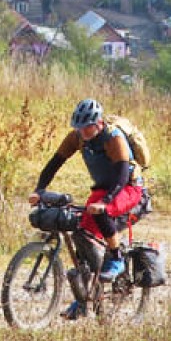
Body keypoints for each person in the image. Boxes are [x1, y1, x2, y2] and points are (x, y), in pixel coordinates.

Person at [28, 98, 144, 293]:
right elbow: (54, 163)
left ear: (98, 123)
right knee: (82, 233)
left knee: (101, 212)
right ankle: (84, 298)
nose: (83, 132)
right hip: (102, 188)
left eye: (87, 128)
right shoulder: (77, 137)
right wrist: (39, 190)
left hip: (127, 187)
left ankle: (117, 258)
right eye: (79, 128)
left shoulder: (113, 138)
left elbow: (122, 175)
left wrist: (106, 202)